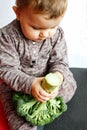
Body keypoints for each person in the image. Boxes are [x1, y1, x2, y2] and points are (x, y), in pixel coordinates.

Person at [0, 0, 77, 130]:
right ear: (18, 13)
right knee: (17, 120)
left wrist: (58, 77)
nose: (46, 34)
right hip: (17, 86)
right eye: (37, 28)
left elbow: (60, 62)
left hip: (46, 78)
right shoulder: (6, 36)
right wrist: (31, 84)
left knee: (69, 84)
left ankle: (48, 99)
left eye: (53, 27)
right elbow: (7, 70)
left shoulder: (57, 34)